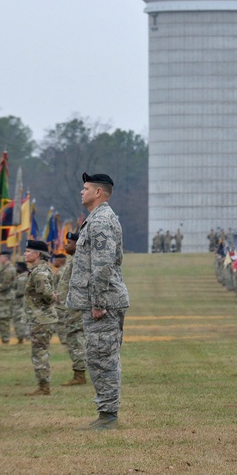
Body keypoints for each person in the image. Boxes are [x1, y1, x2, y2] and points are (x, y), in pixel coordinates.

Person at [66, 172, 130, 430]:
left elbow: (102, 266)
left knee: (103, 358)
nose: (82, 192)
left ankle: (108, 417)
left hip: (104, 303)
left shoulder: (101, 220)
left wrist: (99, 303)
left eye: (86, 188)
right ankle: (106, 413)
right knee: (99, 357)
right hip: (99, 301)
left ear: (98, 192)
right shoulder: (95, 219)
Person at [23, 240, 57, 395]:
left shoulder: (40, 272)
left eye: (28, 251)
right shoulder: (38, 270)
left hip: (41, 318)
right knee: (39, 351)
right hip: (40, 318)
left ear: (37, 254)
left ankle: (44, 387)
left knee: (40, 352)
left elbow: (47, 293)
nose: (25, 253)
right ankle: (43, 385)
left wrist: (52, 297)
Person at [56, 232, 88, 386]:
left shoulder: (79, 261)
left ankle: (80, 375)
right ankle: (79, 372)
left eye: (69, 242)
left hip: (76, 306)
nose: (65, 245)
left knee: (75, 338)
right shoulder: (74, 260)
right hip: (70, 305)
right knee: (73, 338)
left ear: (78, 244)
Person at [0, 249, 16, 344]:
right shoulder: (4, 268)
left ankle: (5, 339)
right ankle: (4, 338)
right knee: (2, 318)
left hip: (6, 297)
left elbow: (6, 285)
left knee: (4, 318)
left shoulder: (9, 270)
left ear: (6, 257)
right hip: (3, 296)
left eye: (1, 257)